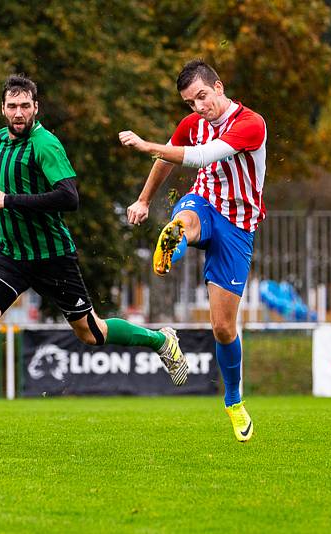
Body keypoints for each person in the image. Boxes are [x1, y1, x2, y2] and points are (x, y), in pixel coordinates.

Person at [0, 74, 187, 445]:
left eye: (25, 106)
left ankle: (160, 341)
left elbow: (69, 198)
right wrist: (0, 216)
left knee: (91, 333)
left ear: (36, 108)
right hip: (11, 254)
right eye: (12, 106)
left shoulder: (45, 144)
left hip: (52, 257)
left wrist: (7, 203)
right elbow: (16, 190)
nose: (18, 113)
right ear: (2, 109)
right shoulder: (0, 141)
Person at [119, 59, 266, 442]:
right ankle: (174, 242)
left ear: (219, 87)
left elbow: (203, 156)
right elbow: (166, 162)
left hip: (238, 226)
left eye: (202, 96)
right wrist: (144, 200)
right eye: (190, 102)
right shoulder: (192, 125)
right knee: (185, 218)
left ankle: (233, 401)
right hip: (203, 202)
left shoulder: (251, 124)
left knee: (222, 328)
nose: (199, 107)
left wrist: (145, 144)